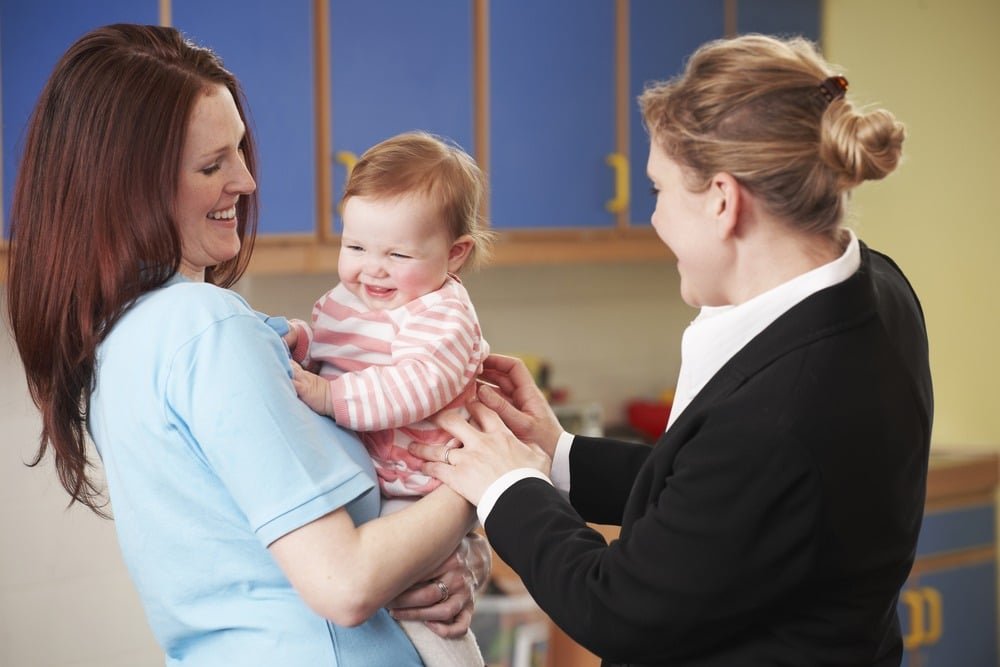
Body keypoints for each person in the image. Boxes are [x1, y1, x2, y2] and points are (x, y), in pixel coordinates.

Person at [414, 34, 932, 666]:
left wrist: (506, 488)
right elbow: (719, 501)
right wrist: (556, 456)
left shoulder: (782, 410)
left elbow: (620, 609)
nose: (654, 219)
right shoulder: (876, 288)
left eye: (659, 190)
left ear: (722, 201)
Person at [5, 24, 490, 666]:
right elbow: (343, 584)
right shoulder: (205, 329)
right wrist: (486, 477)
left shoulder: (124, 336)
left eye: (237, 151)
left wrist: (454, 560)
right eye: (212, 165)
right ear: (130, 187)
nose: (247, 181)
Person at [284, 130, 493, 666]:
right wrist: (301, 346)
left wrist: (329, 396)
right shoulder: (347, 298)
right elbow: (332, 352)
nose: (371, 268)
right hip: (384, 481)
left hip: (422, 487)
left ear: (455, 255)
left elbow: (416, 385)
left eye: (397, 254)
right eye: (354, 247)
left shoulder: (444, 316)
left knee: (428, 620)